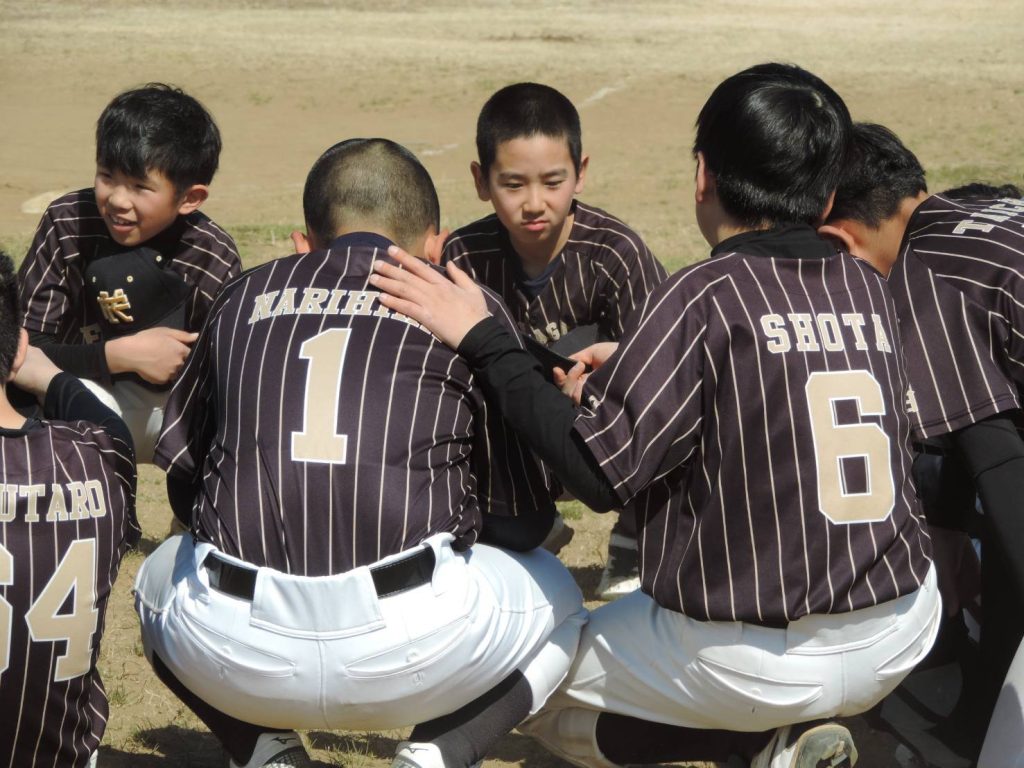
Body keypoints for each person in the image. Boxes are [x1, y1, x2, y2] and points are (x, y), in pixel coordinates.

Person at [370, 63, 941, 768]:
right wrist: (643, 364)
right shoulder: (868, 283)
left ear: (703, 176)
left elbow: (596, 472)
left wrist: (486, 339)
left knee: (533, 671)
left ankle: (755, 744)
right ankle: (780, 738)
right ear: (828, 194)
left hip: (754, 651)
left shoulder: (705, 292)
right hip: (900, 626)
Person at [133, 138, 586, 768]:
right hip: (415, 645)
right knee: (564, 600)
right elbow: (523, 521)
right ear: (435, 246)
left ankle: (263, 752)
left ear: (305, 243)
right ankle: (439, 754)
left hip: (237, 647)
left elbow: (185, 486)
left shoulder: (242, 295)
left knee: (155, 577)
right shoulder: (463, 307)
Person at [820, 122, 1024, 763]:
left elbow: (1002, 467)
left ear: (839, 239)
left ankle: (982, 723)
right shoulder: (979, 205)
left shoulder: (922, 280)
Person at [444, 81, 669, 598]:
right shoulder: (463, 255)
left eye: (552, 182)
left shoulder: (616, 254)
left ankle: (635, 534)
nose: (534, 203)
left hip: (599, 428)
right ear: (481, 180)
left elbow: (663, 370)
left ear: (580, 173)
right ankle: (522, 519)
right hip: (511, 433)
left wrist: (597, 384)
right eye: (513, 184)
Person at [17, 82, 242, 463]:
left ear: (190, 198)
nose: (118, 200)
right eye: (107, 176)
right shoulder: (67, 222)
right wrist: (117, 355)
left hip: (174, 411)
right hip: (74, 395)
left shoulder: (212, 254)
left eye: (140, 186)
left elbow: (226, 373)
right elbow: (22, 350)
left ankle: (195, 502)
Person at [0, 250, 139, 767]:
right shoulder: (99, 457)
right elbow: (110, 423)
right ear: (18, 348)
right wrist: (51, 378)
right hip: (57, 753)